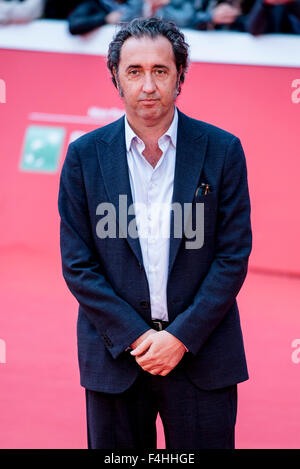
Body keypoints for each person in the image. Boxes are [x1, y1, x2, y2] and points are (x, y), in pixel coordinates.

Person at [58, 17, 252, 449]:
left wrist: (180, 338)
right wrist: (139, 336)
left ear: (180, 76)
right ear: (115, 77)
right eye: (135, 71)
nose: (148, 85)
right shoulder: (83, 157)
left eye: (160, 71)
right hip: (115, 358)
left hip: (202, 353)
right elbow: (78, 264)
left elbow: (232, 256)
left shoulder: (223, 151)